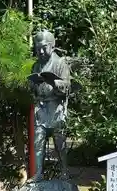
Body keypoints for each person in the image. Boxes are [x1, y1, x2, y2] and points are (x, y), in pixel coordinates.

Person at [29, 30, 71, 181]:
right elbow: (32, 88)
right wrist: (33, 84)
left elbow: (68, 86)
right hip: (42, 108)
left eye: (44, 47)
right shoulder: (36, 66)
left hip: (56, 108)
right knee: (38, 140)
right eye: (37, 48)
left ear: (52, 47)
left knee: (59, 142)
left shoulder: (60, 63)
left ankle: (64, 171)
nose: (40, 51)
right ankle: (38, 173)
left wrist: (55, 82)